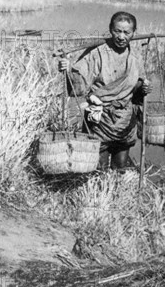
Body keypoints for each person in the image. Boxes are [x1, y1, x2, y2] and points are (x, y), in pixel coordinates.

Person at [58, 11, 152, 171]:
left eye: (126, 32)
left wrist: (144, 88)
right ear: (110, 29)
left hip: (124, 121)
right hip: (98, 118)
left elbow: (137, 89)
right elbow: (78, 88)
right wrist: (68, 70)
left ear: (133, 33)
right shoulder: (97, 53)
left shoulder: (135, 57)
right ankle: (97, 194)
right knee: (97, 166)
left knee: (120, 167)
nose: (121, 37)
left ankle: (116, 192)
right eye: (117, 31)